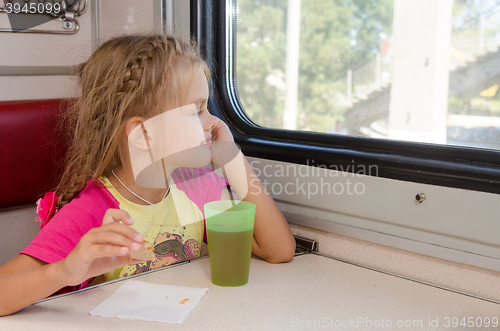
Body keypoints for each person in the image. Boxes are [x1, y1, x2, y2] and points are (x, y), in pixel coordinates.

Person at [0, 34, 295, 316]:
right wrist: (64, 270)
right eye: (197, 111)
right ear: (143, 134)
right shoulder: (92, 212)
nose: (214, 123)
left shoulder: (197, 187)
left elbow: (278, 249)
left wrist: (231, 156)